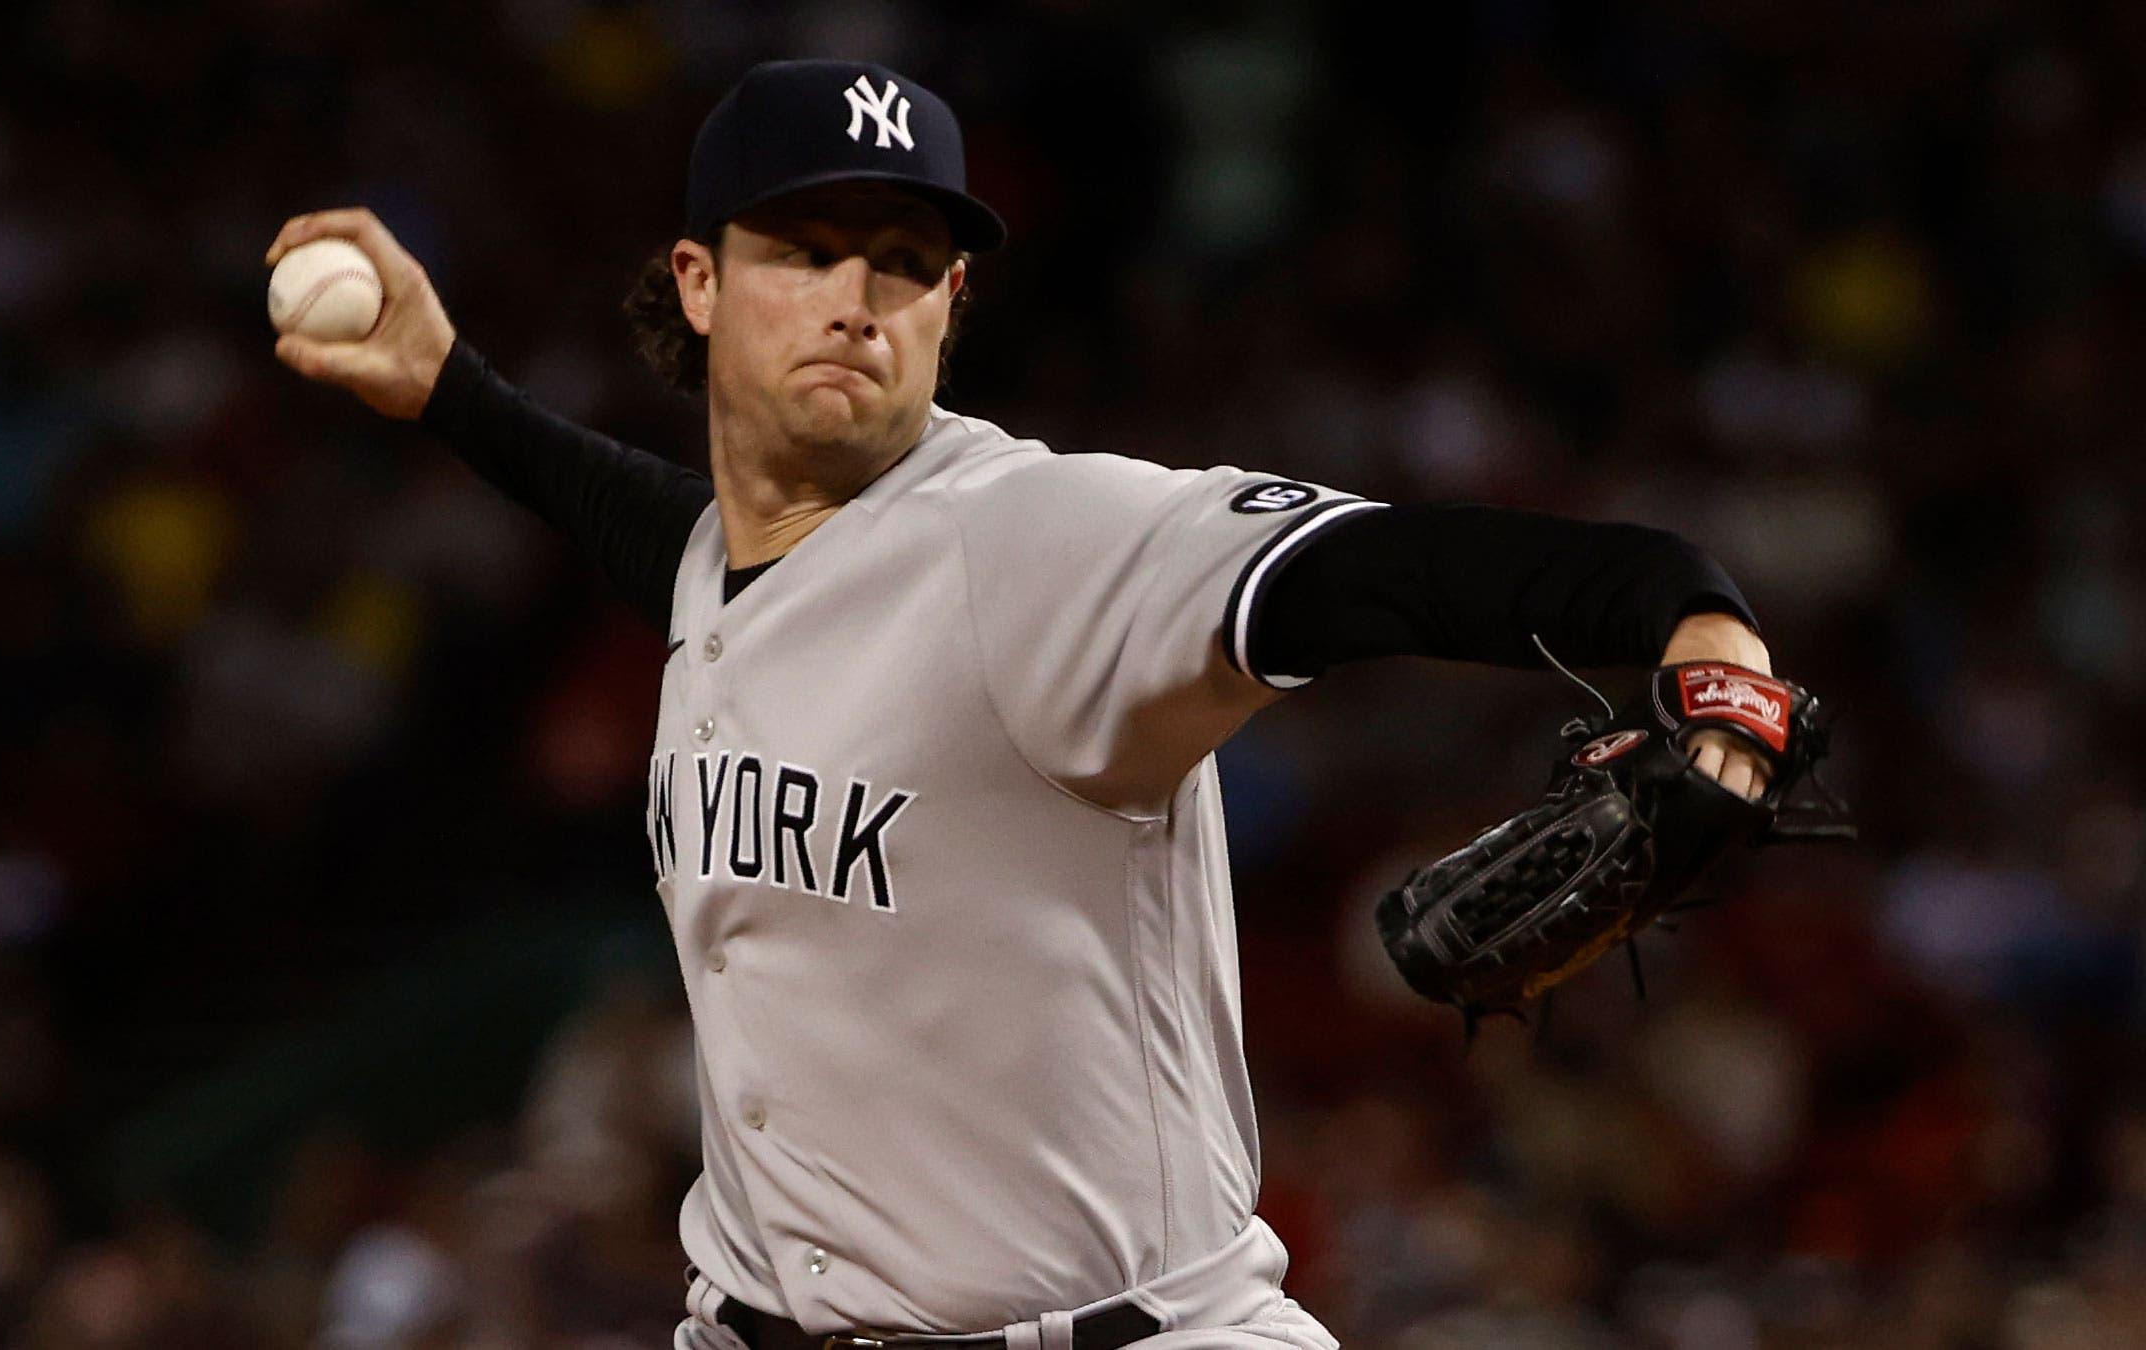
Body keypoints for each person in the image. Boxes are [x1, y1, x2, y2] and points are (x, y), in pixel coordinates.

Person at [267, 57, 1777, 1350]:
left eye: (904, 261)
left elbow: (1388, 570)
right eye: (804, 248)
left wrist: (1692, 623)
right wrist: (448, 384)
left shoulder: (1039, 542)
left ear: (953, 302)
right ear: (700, 283)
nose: (857, 299)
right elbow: (654, 522)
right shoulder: (727, 564)